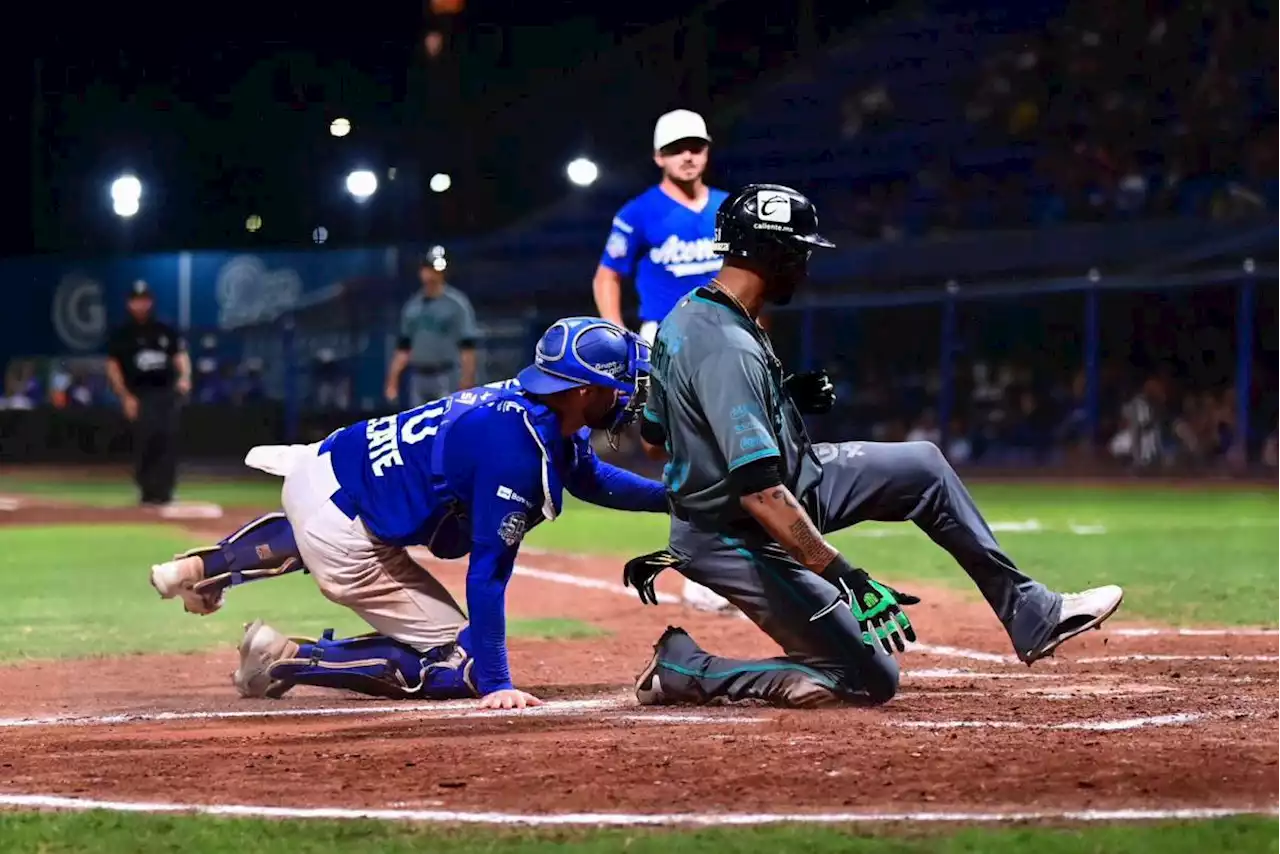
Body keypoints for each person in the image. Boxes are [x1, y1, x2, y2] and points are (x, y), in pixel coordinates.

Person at [622, 184, 1124, 709]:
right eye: (799, 251)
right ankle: (686, 669)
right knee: (866, 678)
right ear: (771, 253)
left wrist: (773, 396)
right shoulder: (728, 346)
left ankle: (1030, 611)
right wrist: (849, 578)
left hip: (790, 485)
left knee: (922, 467)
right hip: (733, 532)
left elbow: (657, 440)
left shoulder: (690, 315)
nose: (805, 265)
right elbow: (759, 492)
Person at [150, 318, 667, 709]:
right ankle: (284, 659)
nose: (627, 396)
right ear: (582, 391)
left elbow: (590, 476)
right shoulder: (517, 453)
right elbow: (486, 573)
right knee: (458, 665)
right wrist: (496, 682)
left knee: (333, 518)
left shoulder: (530, 402)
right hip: (344, 531)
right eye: (618, 386)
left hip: (324, 463)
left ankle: (201, 569)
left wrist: (672, 497)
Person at [591, 108, 734, 613]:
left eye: (695, 145)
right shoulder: (638, 213)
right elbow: (607, 275)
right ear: (658, 157)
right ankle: (701, 572)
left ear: (707, 150)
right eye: (676, 148)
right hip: (666, 344)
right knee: (686, 454)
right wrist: (618, 335)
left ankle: (726, 566)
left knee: (732, 454)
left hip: (726, 340)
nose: (688, 155)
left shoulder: (725, 207)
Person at [105, 280, 191, 506]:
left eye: (144, 300)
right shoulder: (122, 334)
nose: (140, 305)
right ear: (129, 304)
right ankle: (147, 490)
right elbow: (113, 367)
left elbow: (180, 356)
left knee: (167, 439)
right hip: (140, 394)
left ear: (150, 302)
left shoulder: (164, 328)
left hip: (165, 393)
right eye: (136, 300)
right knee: (145, 441)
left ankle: (165, 491)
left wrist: (185, 377)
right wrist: (124, 396)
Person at [384, 251, 479, 407]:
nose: (432, 275)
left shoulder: (457, 304)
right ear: (421, 272)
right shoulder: (413, 306)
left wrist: (467, 380)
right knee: (417, 424)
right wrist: (392, 381)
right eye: (429, 269)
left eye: (437, 271)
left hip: (446, 375)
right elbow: (403, 348)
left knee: (446, 422)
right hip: (418, 376)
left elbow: (467, 347)